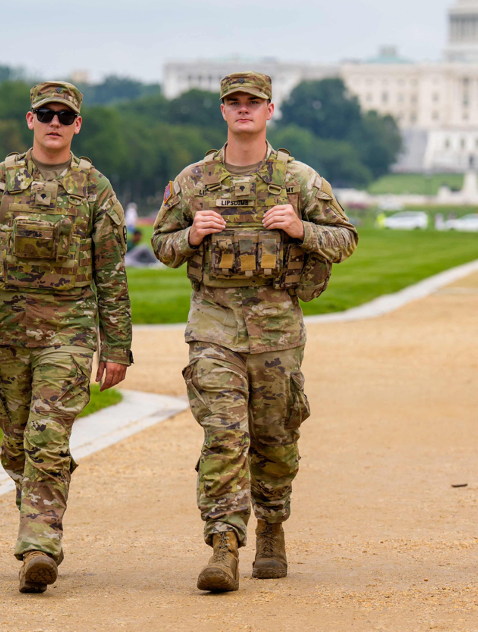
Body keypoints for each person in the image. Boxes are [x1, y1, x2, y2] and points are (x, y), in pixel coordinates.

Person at [152, 71, 358, 593]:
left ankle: (272, 523)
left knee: (275, 439)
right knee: (224, 434)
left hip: (277, 335)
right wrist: (190, 235)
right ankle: (224, 542)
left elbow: (345, 239)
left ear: (270, 110)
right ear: (223, 111)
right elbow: (160, 244)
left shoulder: (299, 181)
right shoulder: (194, 181)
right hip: (214, 329)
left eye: (253, 102)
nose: (243, 109)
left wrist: (301, 229)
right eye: (234, 102)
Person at [0, 81, 133, 594]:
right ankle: (38, 508)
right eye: (45, 113)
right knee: (16, 446)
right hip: (8, 332)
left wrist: (116, 347)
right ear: (30, 120)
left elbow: (111, 275)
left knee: (46, 438)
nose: (54, 122)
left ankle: (39, 547)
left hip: (69, 332)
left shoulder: (95, 190)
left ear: (77, 125)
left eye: (64, 115)